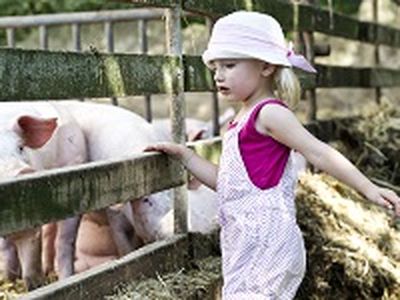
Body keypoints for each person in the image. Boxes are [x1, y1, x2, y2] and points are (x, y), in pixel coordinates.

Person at [145, 11, 400, 299]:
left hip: (267, 245)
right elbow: (231, 185)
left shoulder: (269, 113)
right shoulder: (241, 119)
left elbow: (319, 152)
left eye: (229, 65)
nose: (218, 75)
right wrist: (187, 158)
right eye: (215, 66)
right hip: (245, 245)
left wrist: (369, 188)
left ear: (265, 66)